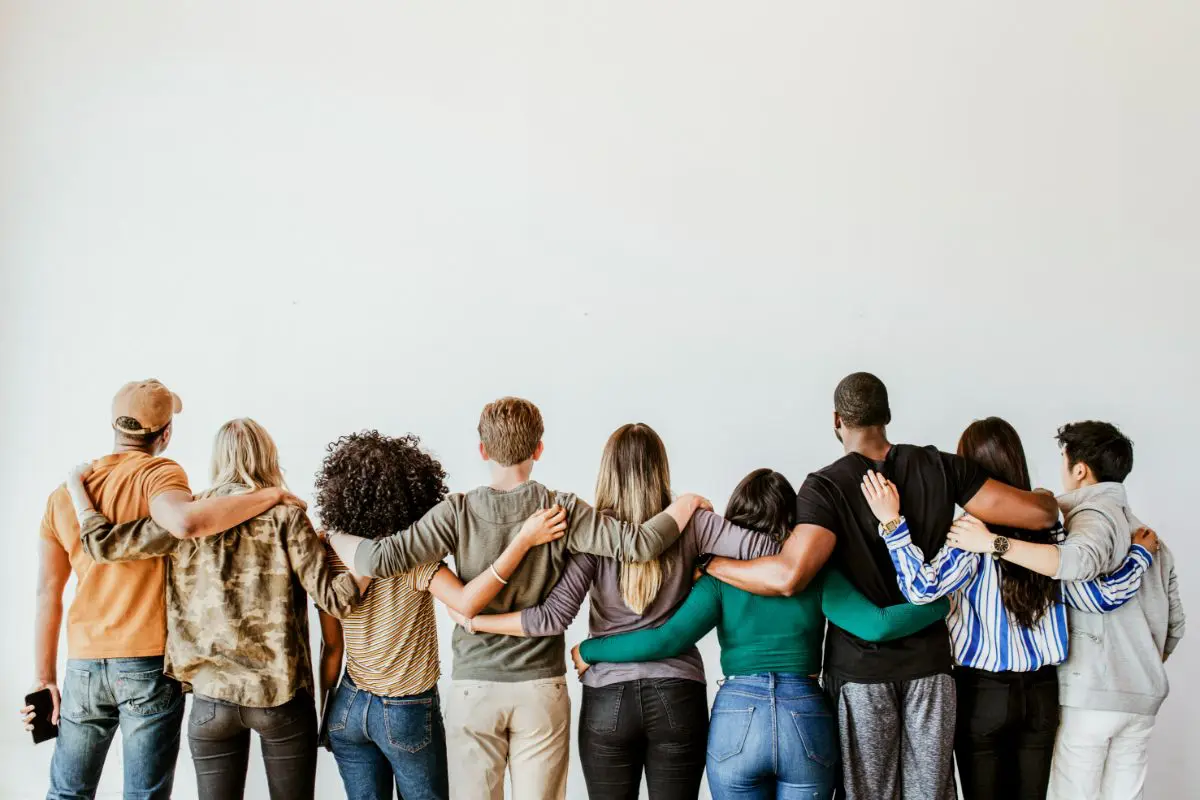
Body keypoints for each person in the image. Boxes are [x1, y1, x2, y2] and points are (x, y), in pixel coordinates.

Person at [324, 398, 712, 800]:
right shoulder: (562, 510)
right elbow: (640, 544)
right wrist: (684, 504)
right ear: (539, 449)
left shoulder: (454, 512)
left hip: (474, 687)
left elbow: (376, 558)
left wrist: (333, 534)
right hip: (540, 687)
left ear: (483, 450)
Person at [696, 373, 1060, 800]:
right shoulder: (943, 467)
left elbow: (788, 576)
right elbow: (1039, 515)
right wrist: (1048, 496)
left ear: (837, 420)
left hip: (861, 674)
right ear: (887, 416)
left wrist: (715, 565)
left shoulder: (825, 487)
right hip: (931, 669)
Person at [569, 467, 951, 800]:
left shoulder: (719, 579)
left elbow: (663, 640)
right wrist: (942, 604)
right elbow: (876, 624)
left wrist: (591, 648)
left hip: (738, 719)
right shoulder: (812, 574)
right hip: (805, 716)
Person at [448, 424, 781, 800]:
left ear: (607, 470)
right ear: (661, 468)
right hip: (678, 695)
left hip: (608, 699)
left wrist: (476, 620)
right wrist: (711, 567)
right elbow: (768, 548)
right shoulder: (694, 523)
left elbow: (551, 617)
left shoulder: (594, 534)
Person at [21, 381, 302, 800]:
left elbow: (47, 591)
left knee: (67, 793)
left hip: (82, 664)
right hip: (147, 661)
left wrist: (45, 679)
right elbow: (187, 522)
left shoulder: (63, 496)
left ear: (115, 425)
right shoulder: (160, 474)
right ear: (165, 433)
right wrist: (271, 495)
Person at [859, 416, 1158, 800]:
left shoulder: (969, 531)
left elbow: (921, 588)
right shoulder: (1051, 531)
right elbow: (1097, 597)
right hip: (1042, 694)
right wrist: (1138, 557)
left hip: (982, 692)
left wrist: (892, 523)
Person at [313, 431, 568, 800]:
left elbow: (331, 648)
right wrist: (522, 542)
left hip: (347, 706)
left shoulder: (330, 555)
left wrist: (326, 714)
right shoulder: (418, 559)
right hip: (406, 709)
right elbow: (467, 601)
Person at [945, 421, 1186, 800]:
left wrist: (991, 543)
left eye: (1063, 459)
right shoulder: (1066, 529)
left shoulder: (1067, 529)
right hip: (1076, 694)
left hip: (1033, 693)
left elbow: (1082, 578)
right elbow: (1176, 625)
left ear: (1079, 469)